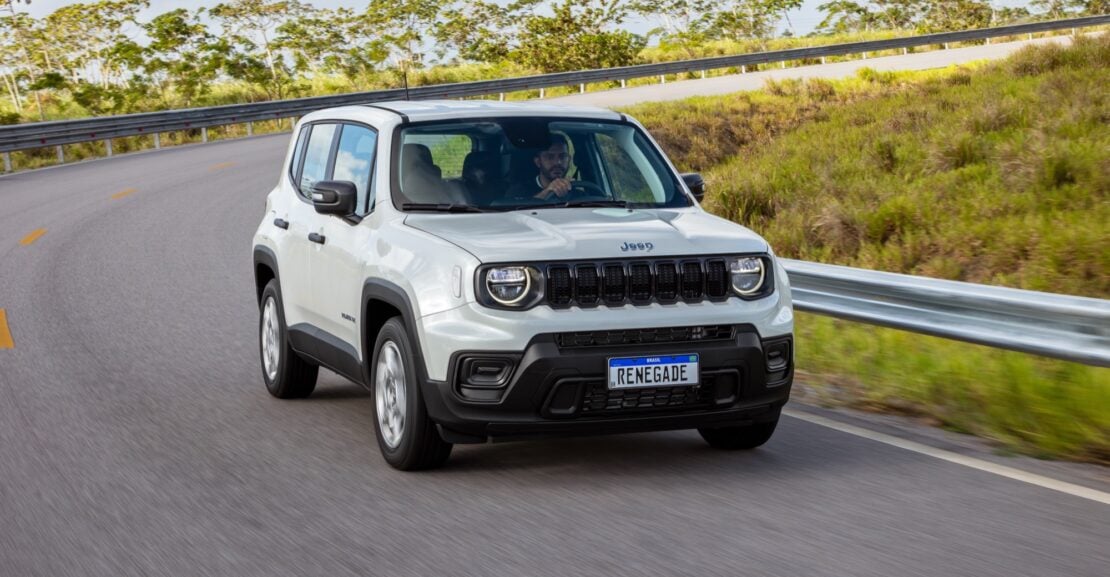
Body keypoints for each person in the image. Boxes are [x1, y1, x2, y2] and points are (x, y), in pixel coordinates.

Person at [507, 134, 574, 201]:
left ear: (569, 160)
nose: (557, 162)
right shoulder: (518, 192)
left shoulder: (578, 194)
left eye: (563, 156)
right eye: (550, 157)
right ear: (538, 162)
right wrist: (547, 191)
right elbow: (515, 209)